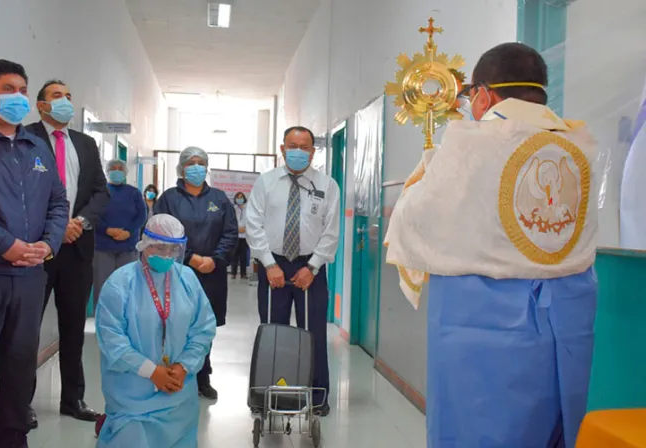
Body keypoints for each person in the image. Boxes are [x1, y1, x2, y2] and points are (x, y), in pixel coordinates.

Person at [385, 43, 599, 447]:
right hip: (567, 309)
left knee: (479, 422)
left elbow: (417, 220)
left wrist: (425, 175)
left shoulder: (469, 142)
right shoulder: (579, 143)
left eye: (470, 98)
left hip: (483, 316)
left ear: (483, 94)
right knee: (552, 418)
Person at [0, 60, 69, 448]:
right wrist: (5, 245)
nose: (19, 97)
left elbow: (59, 203)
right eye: (8, 88)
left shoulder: (36, 146)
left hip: (30, 279)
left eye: (23, 89)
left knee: (18, 366)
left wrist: (48, 243)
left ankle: (13, 438)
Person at [25, 79, 109, 426]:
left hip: (77, 250)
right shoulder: (25, 137)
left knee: (74, 327)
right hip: (36, 249)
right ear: (41, 105)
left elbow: (101, 192)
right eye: (57, 96)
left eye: (69, 97)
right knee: (25, 329)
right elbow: (21, 192)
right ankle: (20, 401)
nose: (65, 102)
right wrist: (55, 228)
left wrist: (81, 221)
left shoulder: (86, 143)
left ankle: (73, 399)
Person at [95, 214, 217, 448]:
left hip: (178, 394)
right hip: (132, 396)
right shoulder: (120, 284)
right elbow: (112, 339)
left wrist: (183, 367)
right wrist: (151, 371)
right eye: (160, 248)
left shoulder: (187, 279)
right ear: (144, 245)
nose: (167, 255)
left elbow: (203, 329)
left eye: (173, 249)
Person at [246, 126, 340, 417]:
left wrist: (312, 267)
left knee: (314, 333)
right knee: (273, 332)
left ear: (313, 151)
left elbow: (331, 231)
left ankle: (317, 394)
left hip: (310, 266)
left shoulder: (328, 185)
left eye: (305, 146)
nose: (299, 151)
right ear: (282, 148)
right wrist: (268, 263)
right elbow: (253, 223)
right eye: (293, 145)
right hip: (273, 264)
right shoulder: (267, 182)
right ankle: (269, 393)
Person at [154, 146, 238, 400]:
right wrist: (189, 257)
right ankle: (171, 373)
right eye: (191, 162)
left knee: (204, 324)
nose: (196, 166)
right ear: (181, 167)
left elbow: (230, 233)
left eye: (201, 162)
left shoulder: (220, 199)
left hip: (212, 273)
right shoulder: (168, 198)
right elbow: (161, 231)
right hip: (176, 271)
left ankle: (202, 376)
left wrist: (215, 259)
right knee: (174, 321)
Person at [93, 160, 147, 308]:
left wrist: (128, 232)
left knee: (127, 287)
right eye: (113, 168)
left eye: (120, 169)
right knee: (103, 287)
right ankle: (103, 325)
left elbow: (142, 215)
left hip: (128, 248)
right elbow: (93, 215)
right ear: (107, 171)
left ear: (125, 172)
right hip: (103, 248)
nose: (116, 171)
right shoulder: (99, 192)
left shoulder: (134, 193)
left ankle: (126, 325)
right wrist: (106, 230)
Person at [231, 191, 249, 279]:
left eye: (241, 197)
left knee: (243, 256)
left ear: (244, 198)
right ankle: (233, 273)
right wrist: (237, 229)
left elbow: (250, 221)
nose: (239, 199)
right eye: (238, 197)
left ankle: (243, 274)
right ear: (235, 199)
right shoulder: (233, 209)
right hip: (235, 236)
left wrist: (245, 228)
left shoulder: (248, 208)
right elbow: (231, 221)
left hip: (245, 236)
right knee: (234, 255)